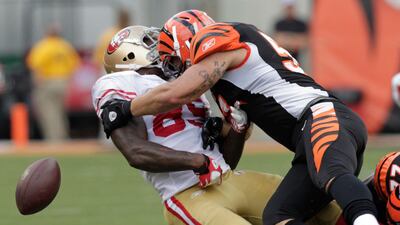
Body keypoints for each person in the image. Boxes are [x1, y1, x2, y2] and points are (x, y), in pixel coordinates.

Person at [101, 10, 380, 225]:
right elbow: (235, 143)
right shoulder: (225, 86)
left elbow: (178, 92)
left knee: (331, 174)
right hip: (307, 137)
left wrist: (126, 108)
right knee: (280, 213)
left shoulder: (220, 38)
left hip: (320, 115)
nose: (175, 68)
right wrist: (229, 128)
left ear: (186, 39)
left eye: (174, 59)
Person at [26, 23, 80, 141]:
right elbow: (75, 65)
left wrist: (37, 80)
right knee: (60, 112)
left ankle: (53, 139)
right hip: (63, 82)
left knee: (48, 112)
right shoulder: (65, 46)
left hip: (47, 81)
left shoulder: (43, 46)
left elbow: (35, 65)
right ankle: (63, 137)